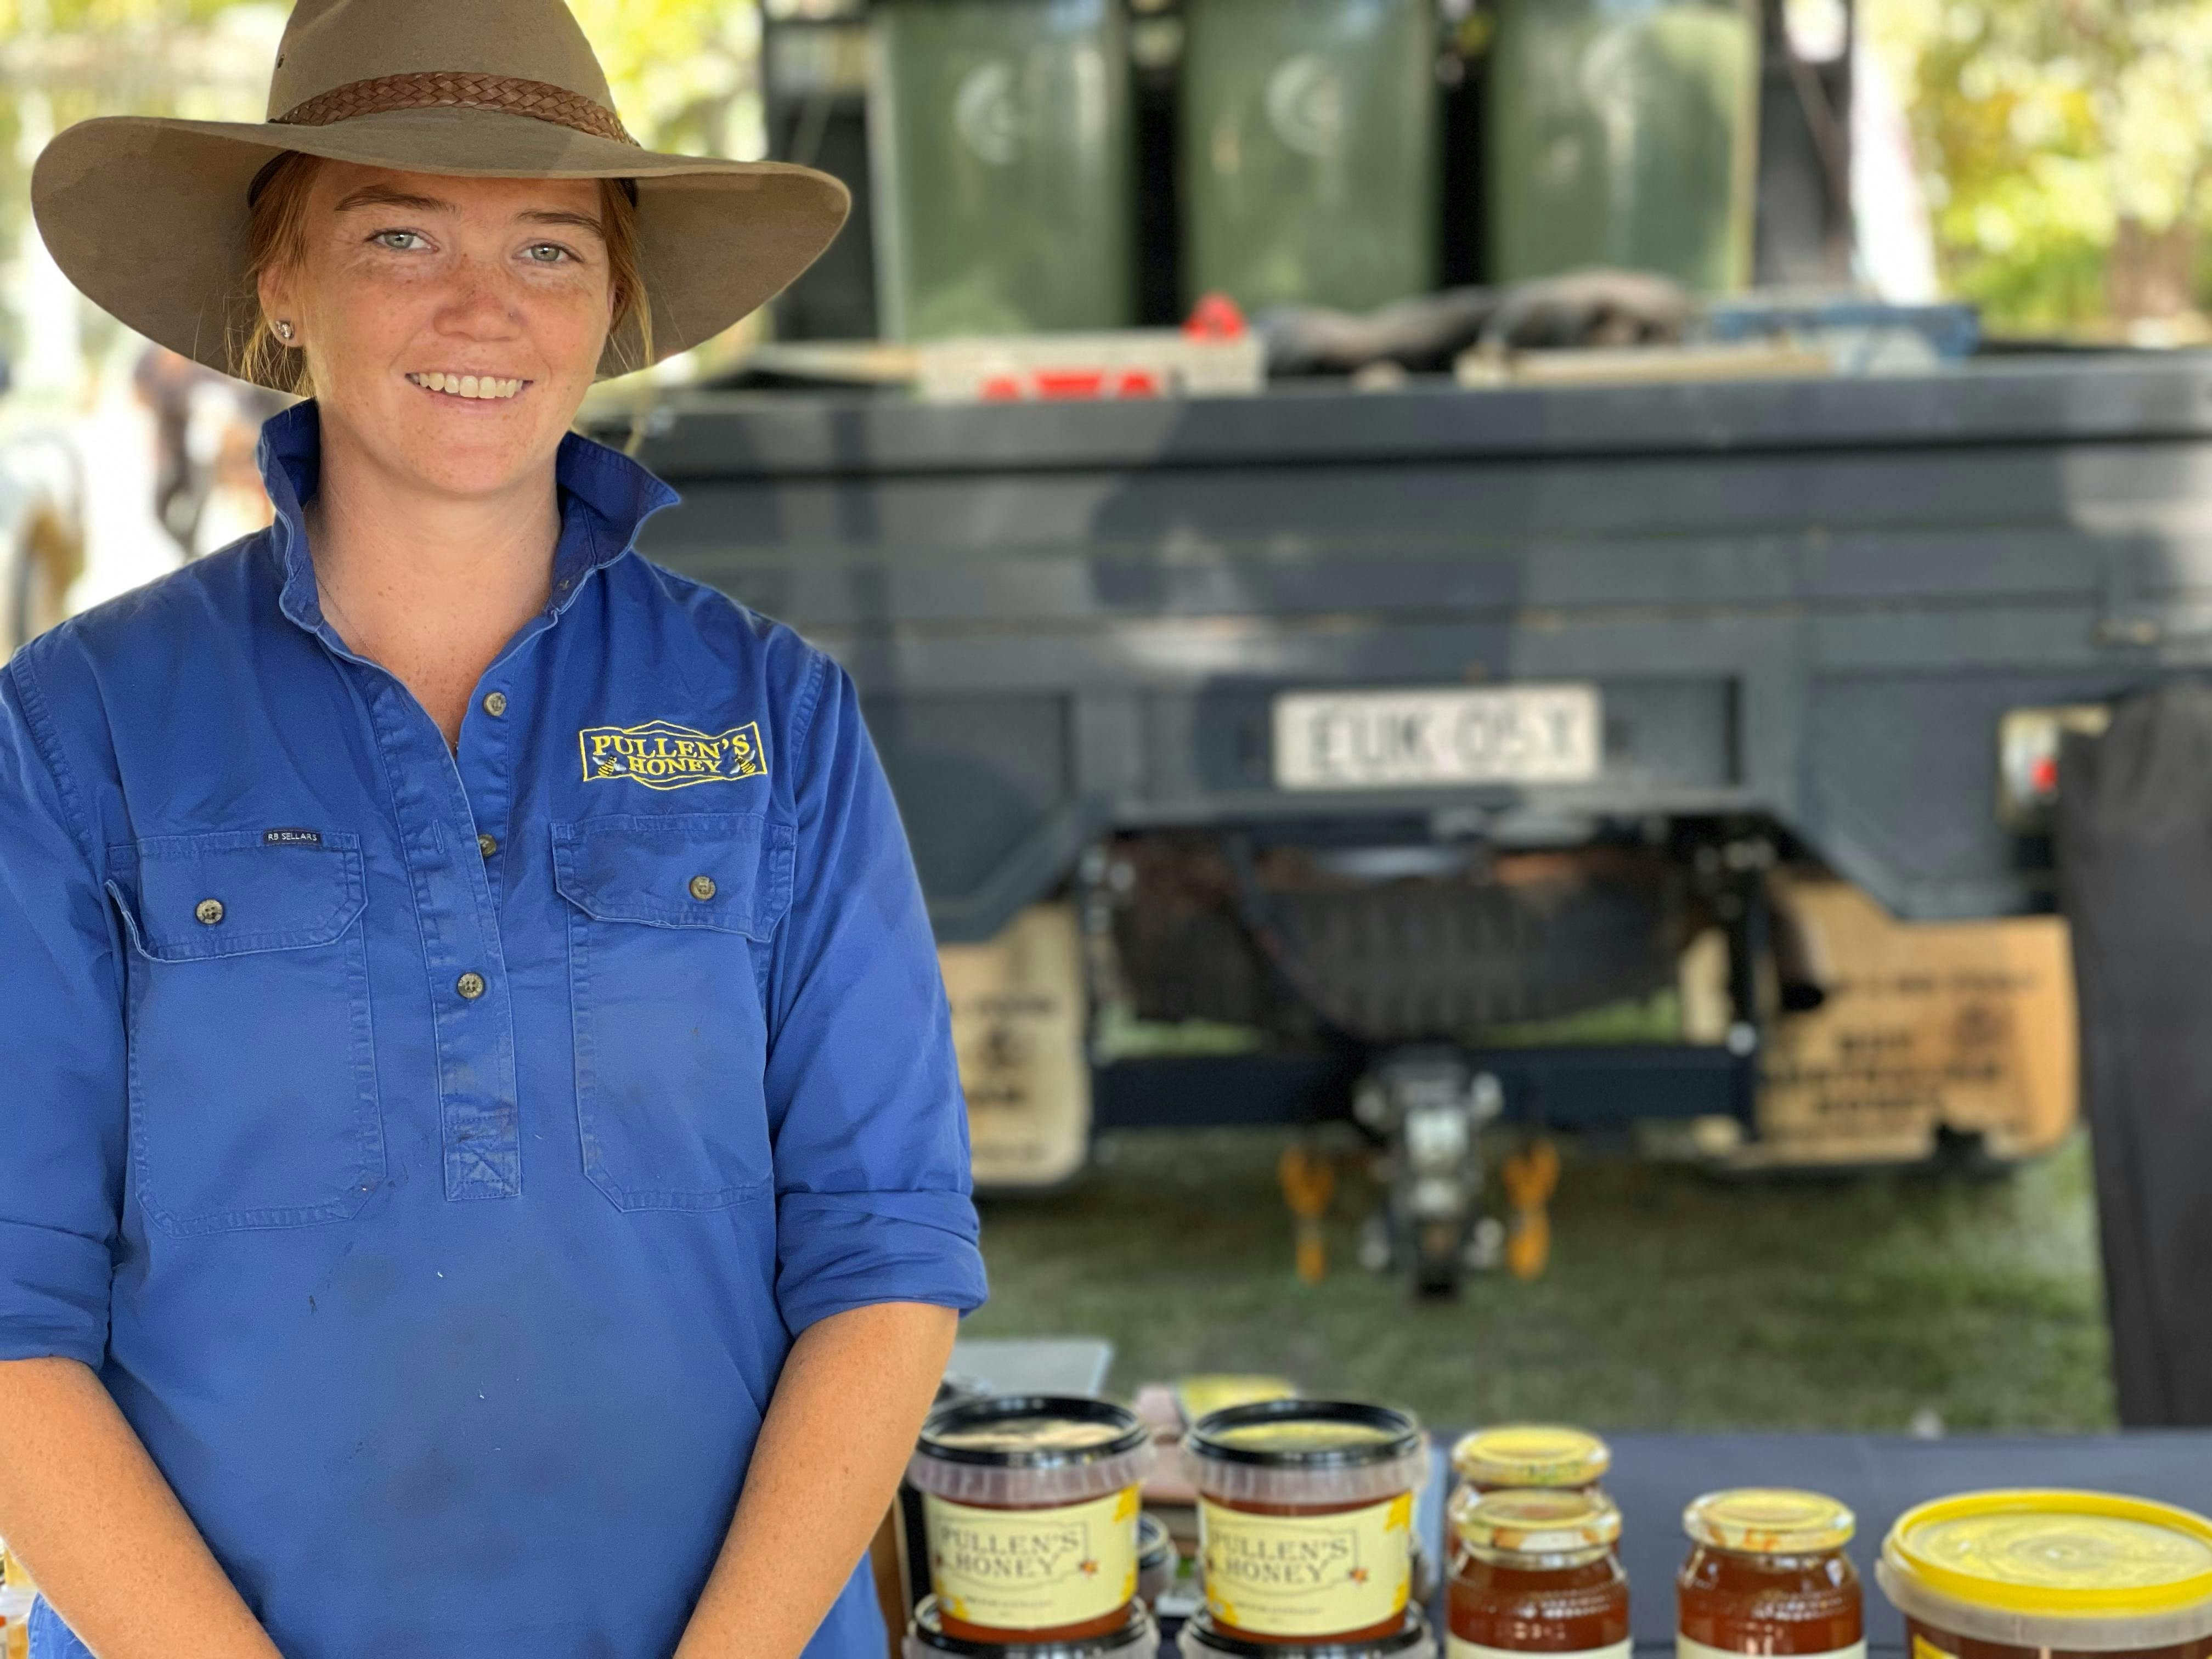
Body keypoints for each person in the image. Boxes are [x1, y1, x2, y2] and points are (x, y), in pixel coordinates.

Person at [2, 2, 985, 1655]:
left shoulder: (775, 715)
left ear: (611, 306)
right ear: (282, 278)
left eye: (550, 246)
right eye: (398, 234)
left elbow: (885, 1255)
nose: (484, 307)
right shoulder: (74, 731)